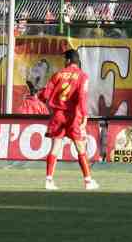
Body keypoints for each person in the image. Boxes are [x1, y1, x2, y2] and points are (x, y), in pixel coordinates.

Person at [38, 49, 99, 191]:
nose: (64, 62)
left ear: (69, 60)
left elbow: (45, 95)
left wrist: (39, 94)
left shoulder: (58, 74)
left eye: (65, 59)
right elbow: (82, 97)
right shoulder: (83, 76)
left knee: (55, 147)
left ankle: (48, 180)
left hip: (58, 115)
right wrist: (85, 115)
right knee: (80, 148)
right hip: (73, 116)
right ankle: (88, 181)